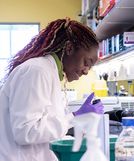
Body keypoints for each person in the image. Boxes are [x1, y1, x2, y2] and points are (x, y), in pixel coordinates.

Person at [0, 18, 104, 161]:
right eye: (86, 62)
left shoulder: (51, 73)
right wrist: (73, 117)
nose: (86, 71)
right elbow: (26, 131)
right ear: (69, 48)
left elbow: (44, 127)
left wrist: (75, 122)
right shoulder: (37, 71)